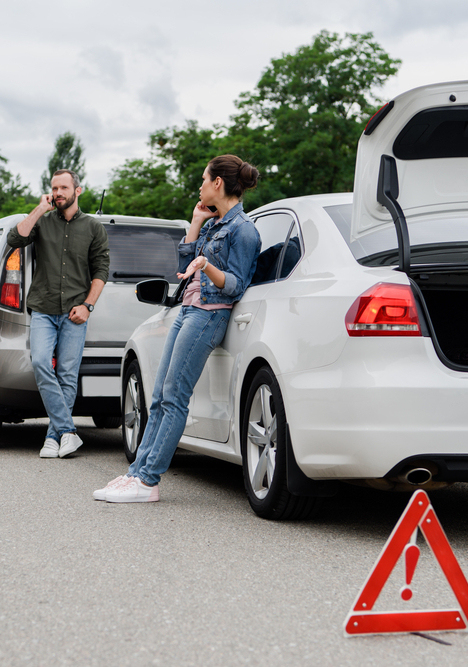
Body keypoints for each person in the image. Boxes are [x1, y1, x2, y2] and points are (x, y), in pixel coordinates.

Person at [94, 154, 261, 503]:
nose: (199, 186)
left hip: (208, 316)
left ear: (218, 183)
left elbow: (236, 285)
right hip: (188, 309)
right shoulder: (215, 225)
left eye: (204, 179)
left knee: (174, 398)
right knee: (159, 396)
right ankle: (137, 473)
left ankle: (148, 481)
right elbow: (183, 271)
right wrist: (196, 224)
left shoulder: (244, 230)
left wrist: (208, 266)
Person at [7, 169, 110, 459]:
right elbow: (16, 239)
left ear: (78, 190)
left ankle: (53, 437)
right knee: (41, 362)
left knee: (67, 374)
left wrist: (87, 306)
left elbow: (101, 270)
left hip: (75, 311)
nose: (58, 192)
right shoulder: (42, 222)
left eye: (64, 187)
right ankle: (68, 431)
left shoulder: (93, 227)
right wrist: (40, 208)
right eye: (55, 188)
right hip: (43, 308)